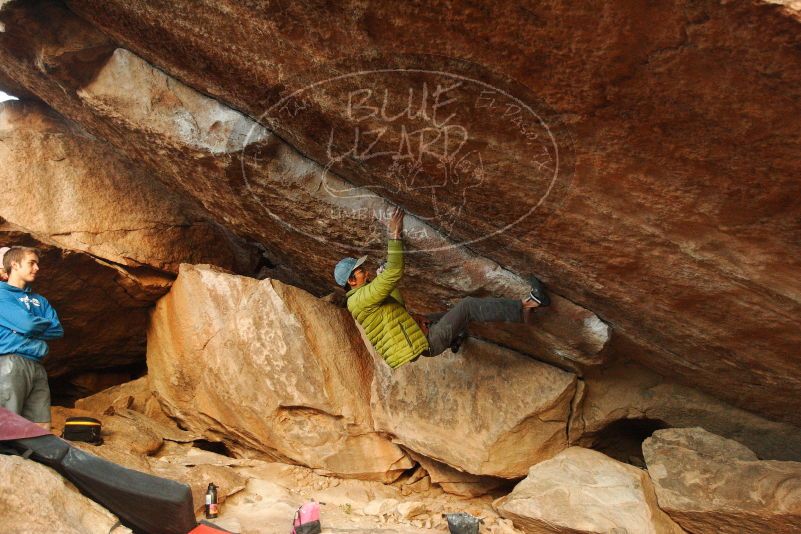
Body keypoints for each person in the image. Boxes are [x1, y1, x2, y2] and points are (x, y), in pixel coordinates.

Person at [334, 208, 550, 369]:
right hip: (428, 342)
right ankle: (528, 306)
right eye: (360, 270)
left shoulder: (363, 296)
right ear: (352, 281)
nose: (365, 270)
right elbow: (394, 272)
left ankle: (456, 338)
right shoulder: (359, 300)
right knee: (468, 307)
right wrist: (394, 236)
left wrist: (385, 285)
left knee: (441, 315)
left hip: (420, 339)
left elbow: (398, 305)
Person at [0, 246, 63, 429]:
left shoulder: (40, 300)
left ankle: (36, 458)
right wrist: (30, 325)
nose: (37, 268)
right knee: (7, 421)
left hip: (37, 364)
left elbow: (57, 330)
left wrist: (24, 326)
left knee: (42, 424)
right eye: (31, 263)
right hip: (11, 362)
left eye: (37, 263)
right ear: (15, 264)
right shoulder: (2, 294)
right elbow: (28, 324)